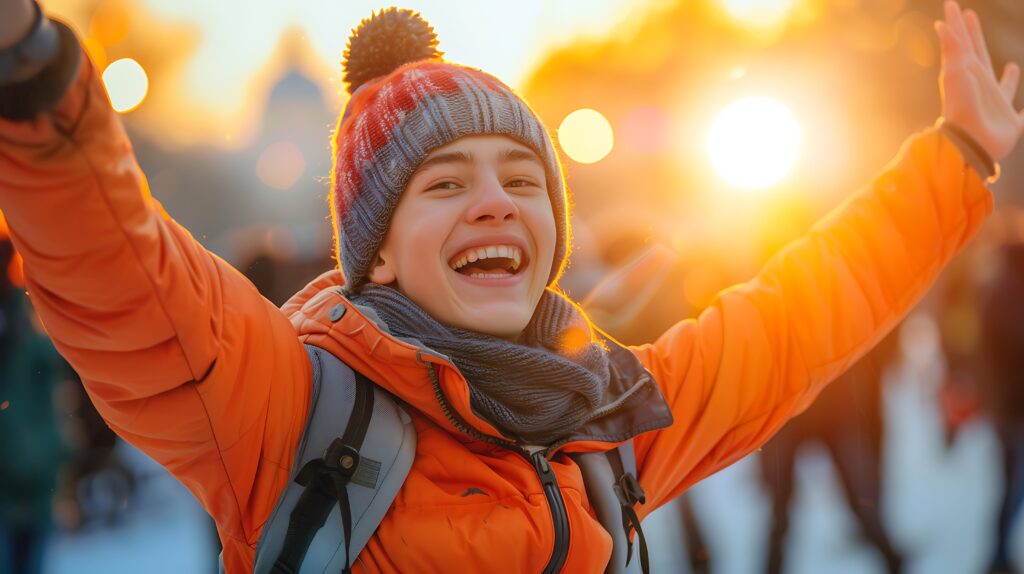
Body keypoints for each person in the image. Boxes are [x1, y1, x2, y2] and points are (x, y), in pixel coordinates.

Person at [0, 1, 1021, 572]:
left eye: (522, 180)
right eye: (444, 185)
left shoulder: (611, 414)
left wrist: (960, 159)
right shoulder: (284, 405)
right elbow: (126, 272)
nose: (494, 203)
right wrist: (33, 75)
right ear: (379, 255)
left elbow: (803, 313)